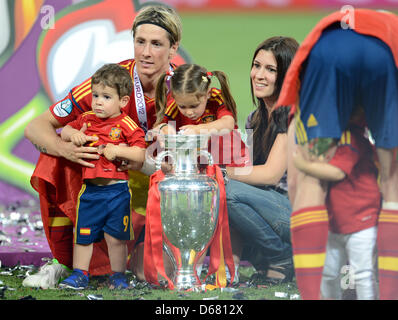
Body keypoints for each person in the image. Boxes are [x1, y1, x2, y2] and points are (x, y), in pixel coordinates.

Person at [22, 4, 183, 289]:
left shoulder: (186, 84)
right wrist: (67, 148)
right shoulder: (112, 81)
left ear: (173, 48)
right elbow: (36, 127)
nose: (145, 52)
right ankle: (65, 262)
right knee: (53, 158)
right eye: (140, 41)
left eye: (156, 44)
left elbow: (208, 141)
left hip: (161, 182)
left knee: (151, 273)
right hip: (112, 178)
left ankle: (140, 254)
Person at [275, 9, 398, 299]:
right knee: (393, 186)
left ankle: (313, 293)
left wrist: (312, 224)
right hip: (386, 54)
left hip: (330, 52)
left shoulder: (335, 35)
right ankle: (390, 292)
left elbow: (294, 184)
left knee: (309, 177)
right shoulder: (390, 28)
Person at [147, 63, 249, 284]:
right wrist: (166, 132)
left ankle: (231, 265)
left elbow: (227, 122)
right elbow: (160, 126)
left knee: (228, 215)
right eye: (183, 107)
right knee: (198, 216)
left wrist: (198, 129)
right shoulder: (176, 104)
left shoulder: (215, 97)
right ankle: (193, 266)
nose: (189, 112)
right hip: (200, 166)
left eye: (194, 105)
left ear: (205, 93)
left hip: (228, 161)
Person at [56, 64, 146, 289]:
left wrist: (118, 151)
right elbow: (65, 129)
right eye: (95, 95)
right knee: (83, 234)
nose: (98, 101)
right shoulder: (87, 119)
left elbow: (140, 153)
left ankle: (118, 275)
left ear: (123, 101)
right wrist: (74, 134)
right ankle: (80, 274)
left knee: (116, 239)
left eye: (106, 97)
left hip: (117, 191)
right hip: (91, 192)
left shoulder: (126, 124)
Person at [224, 37, 299, 284]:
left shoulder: (294, 114)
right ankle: (241, 264)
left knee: (229, 191)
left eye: (271, 69)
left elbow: (269, 174)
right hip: (272, 208)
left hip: (301, 214)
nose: (259, 75)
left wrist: (223, 172)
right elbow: (248, 171)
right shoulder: (255, 118)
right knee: (224, 193)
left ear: (287, 75)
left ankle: (281, 257)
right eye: (256, 65)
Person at [293, 108, 381, 299]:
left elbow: (337, 172)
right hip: (336, 221)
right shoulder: (334, 137)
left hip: (361, 220)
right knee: (329, 273)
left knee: (362, 274)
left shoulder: (350, 137)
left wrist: (303, 164)